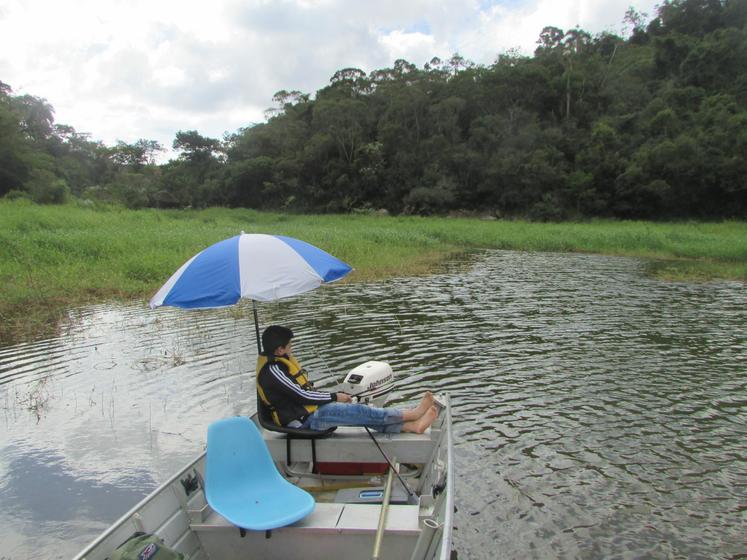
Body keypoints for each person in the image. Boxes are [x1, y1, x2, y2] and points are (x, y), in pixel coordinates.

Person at [256, 325, 438, 434]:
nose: (291, 348)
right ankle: (412, 415)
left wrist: (332, 397)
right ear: (279, 350)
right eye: (289, 346)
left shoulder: (278, 365)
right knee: (360, 411)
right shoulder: (273, 371)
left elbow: (304, 394)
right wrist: (335, 396)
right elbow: (302, 395)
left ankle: (412, 427)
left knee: (361, 414)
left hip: (308, 412)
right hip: (302, 421)